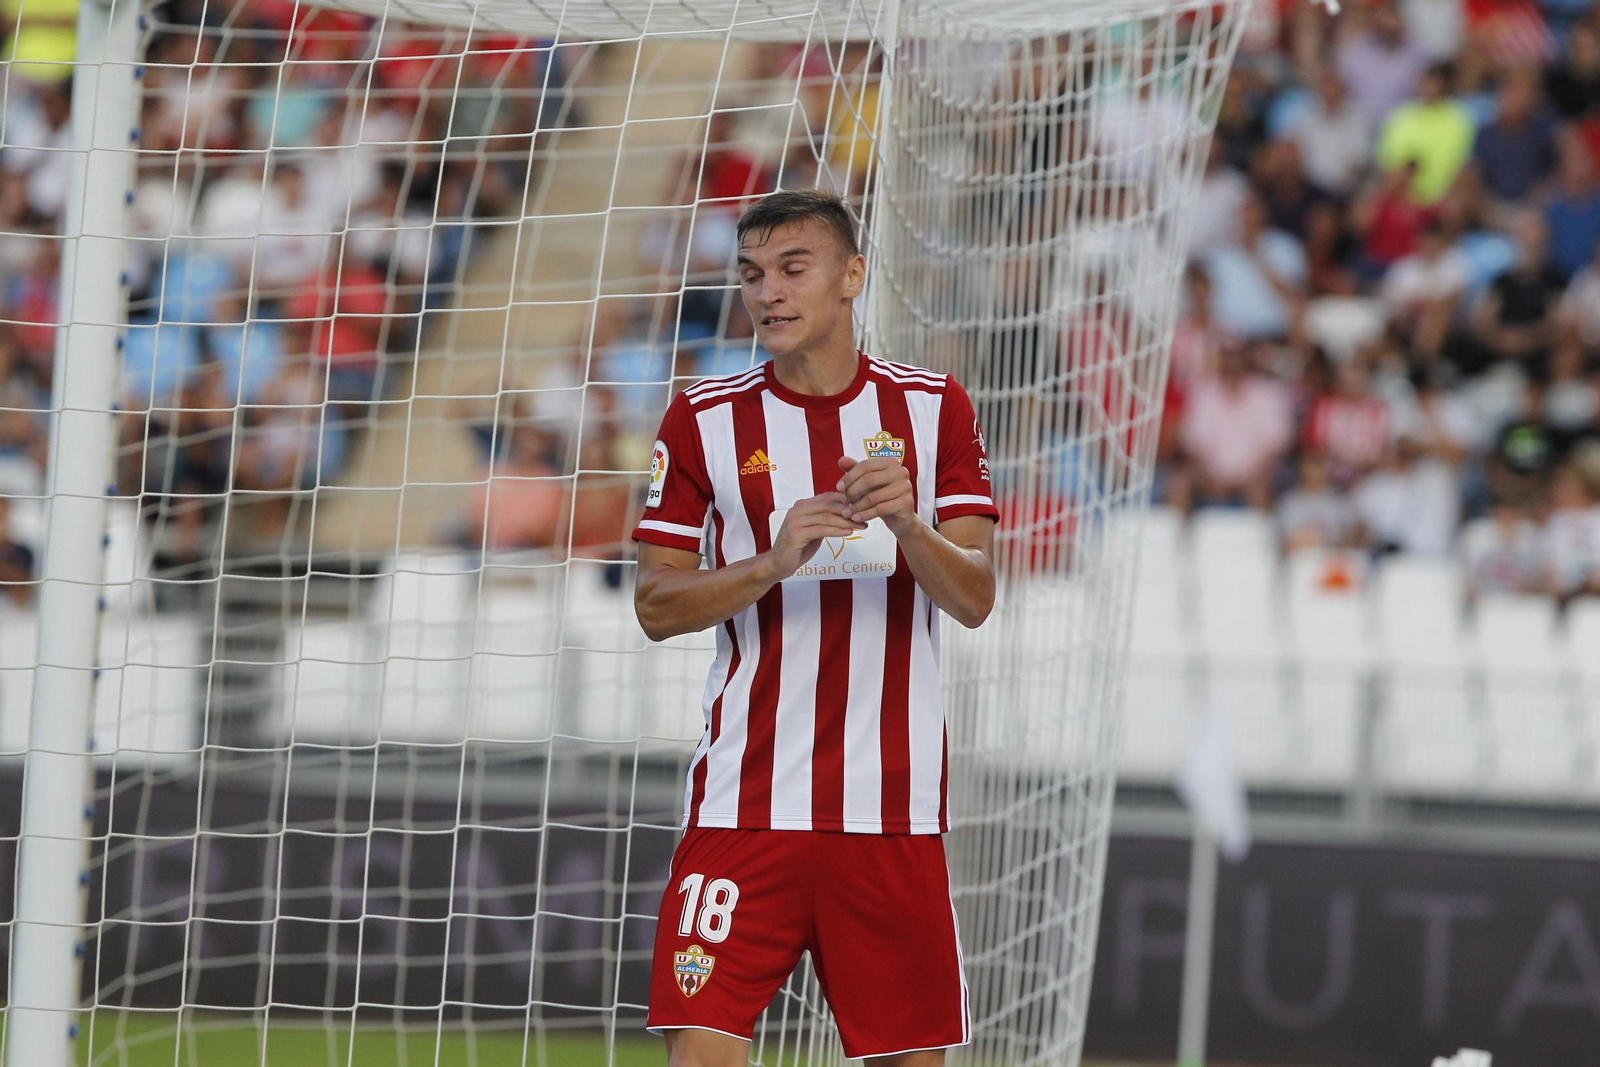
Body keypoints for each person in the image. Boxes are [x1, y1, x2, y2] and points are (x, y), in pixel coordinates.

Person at [632, 189, 996, 1067]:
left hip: (889, 812)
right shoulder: (703, 417)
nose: (770, 294)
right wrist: (769, 560)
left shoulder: (934, 406)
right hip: (744, 805)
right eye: (753, 275)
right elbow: (654, 605)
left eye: (794, 269)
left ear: (851, 277)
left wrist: (911, 527)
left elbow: (978, 595)